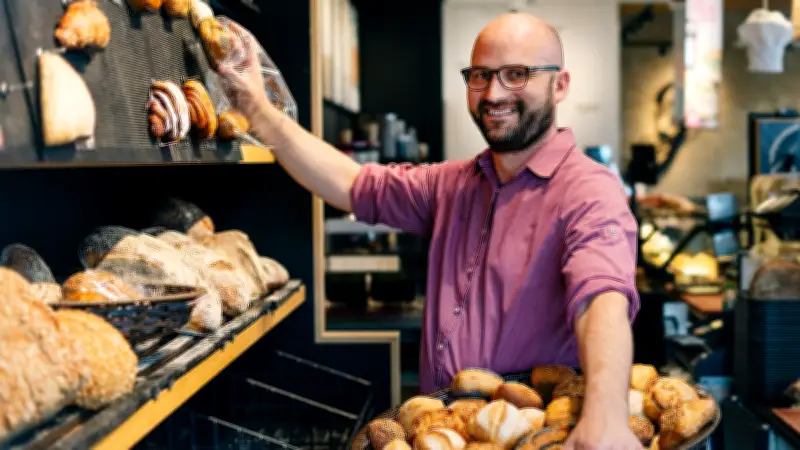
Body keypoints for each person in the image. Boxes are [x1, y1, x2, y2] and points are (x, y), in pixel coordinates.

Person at [220, 11, 642, 449]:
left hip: (532, 439)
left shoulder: (590, 190)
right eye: (480, 75)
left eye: (517, 75)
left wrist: (607, 416)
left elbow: (601, 300)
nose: (494, 92)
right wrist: (255, 108)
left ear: (560, 85)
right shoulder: (452, 184)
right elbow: (351, 183)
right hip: (445, 433)